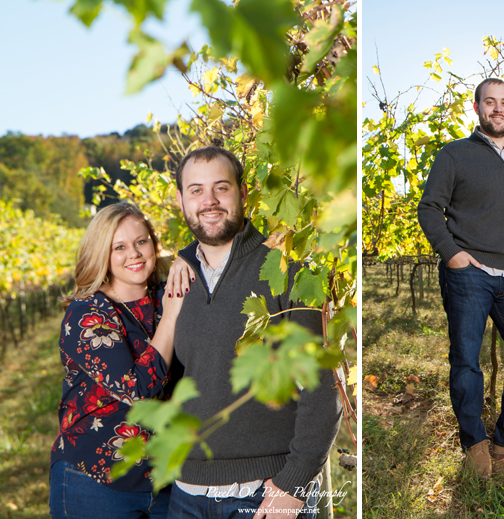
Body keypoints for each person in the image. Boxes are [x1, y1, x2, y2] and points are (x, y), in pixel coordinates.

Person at [167, 146, 341, 519]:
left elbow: (323, 387)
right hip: (184, 495)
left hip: (263, 494)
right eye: (196, 190)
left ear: (243, 193)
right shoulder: (177, 283)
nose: (209, 201)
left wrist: (294, 485)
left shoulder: (286, 269)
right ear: (181, 201)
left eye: (221, 188)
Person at [417, 78, 504, 478]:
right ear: (476, 108)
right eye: (489, 102)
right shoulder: (454, 154)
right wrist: (453, 255)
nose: (498, 109)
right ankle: (474, 441)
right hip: (467, 274)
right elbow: (428, 209)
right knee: (466, 360)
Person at [49, 202, 186, 519]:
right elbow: (137, 389)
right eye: (119, 247)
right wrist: (173, 313)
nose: (135, 254)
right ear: (102, 254)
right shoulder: (87, 313)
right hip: (95, 482)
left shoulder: (168, 295)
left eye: (141, 241)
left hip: (166, 480)